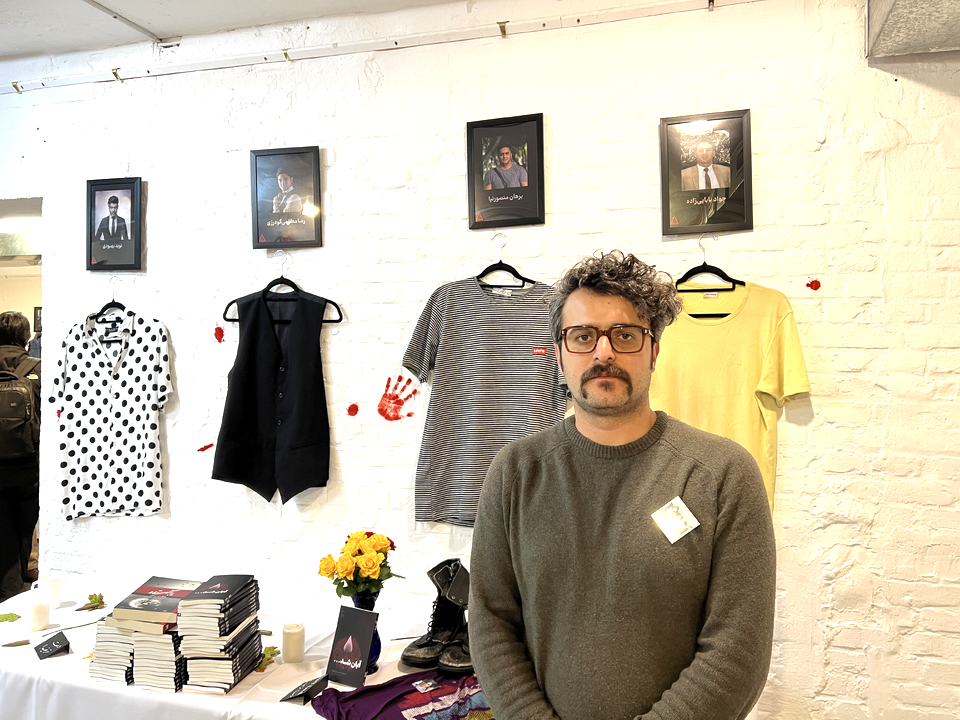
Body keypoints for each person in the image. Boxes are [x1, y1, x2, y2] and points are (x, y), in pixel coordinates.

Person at [470, 250, 776, 720]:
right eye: (582, 336)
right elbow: (491, 625)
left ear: (654, 350)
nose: (603, 352)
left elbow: (738, 649)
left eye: (625, 335)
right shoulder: (514, 472)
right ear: (558, 354)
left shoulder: (722, 473)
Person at [0, 311, 41, 602]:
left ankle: (8, 591)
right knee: (25, 528)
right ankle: (18, 598)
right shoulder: (38, 369)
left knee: (2, 529)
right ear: (26, 337)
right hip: (29, 463)